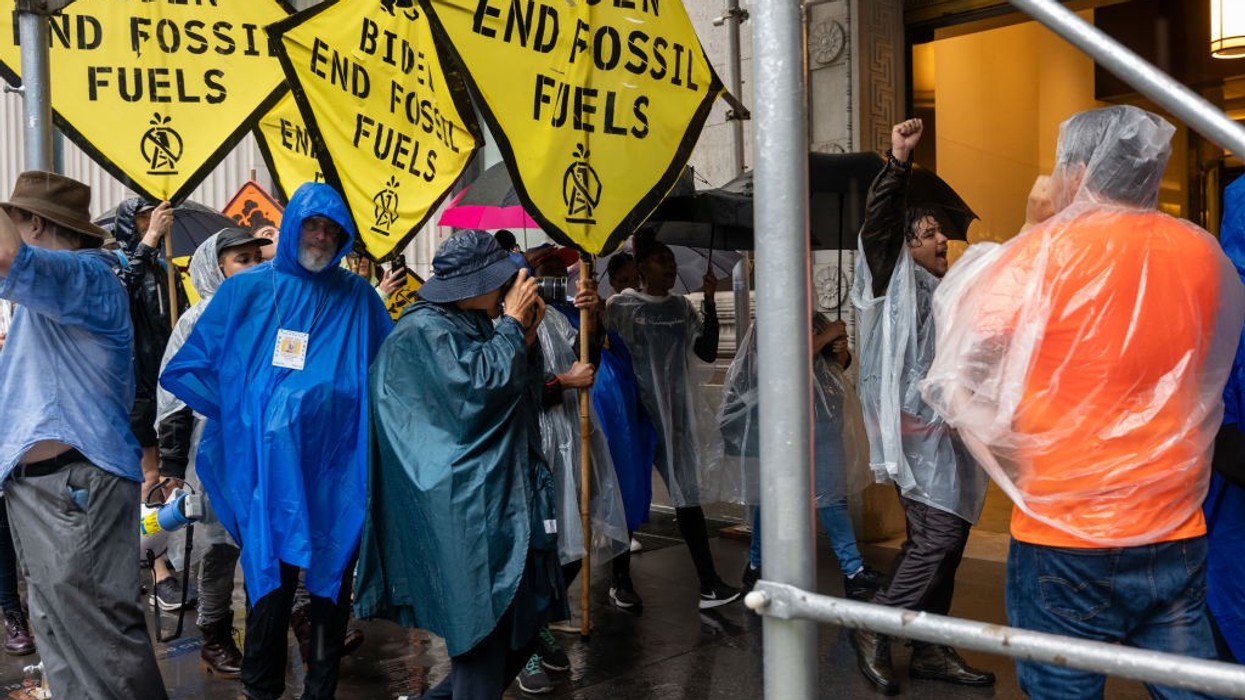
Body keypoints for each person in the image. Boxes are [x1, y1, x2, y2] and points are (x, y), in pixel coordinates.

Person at [921, 105, 1245, 699]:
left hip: (1063, 535)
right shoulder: (1201, 254)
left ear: (1076, 170)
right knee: (1193, 690)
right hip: (1172, 523)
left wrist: (1029, 224)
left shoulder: (1040, 255)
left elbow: (967, 345)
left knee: (1063, 690)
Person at [161, 182, 393, 700]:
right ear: (292, 229)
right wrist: (246, 414)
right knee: (272, 580)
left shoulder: (358, 299)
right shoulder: (247, 291)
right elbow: (200, 364)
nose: (321, 236)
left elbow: (390, 370)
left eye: (332, 229)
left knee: (332, 581)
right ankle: (260, 688)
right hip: (269, 469)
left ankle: (321, 689)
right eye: (312, 225)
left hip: (337, 466)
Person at [356, 230, 566, 698]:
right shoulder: (421, 331)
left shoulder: (467, 323)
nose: (508, 288)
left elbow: (516, 395)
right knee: (480, 644)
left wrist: (524, 336)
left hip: (497, 497)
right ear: (472, 285)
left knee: (521, 628)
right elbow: (475, 394)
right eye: (500, 282)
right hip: (463, 510)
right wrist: (512, 324)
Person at [0, 171, 167, 698]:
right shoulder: (65, 287)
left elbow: (6, 257)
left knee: (102, 650)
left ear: (35, 223)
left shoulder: (87, 275)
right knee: (66, 647)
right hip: (49, 487)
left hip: (72, 486)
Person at [848, 118, 994, 693]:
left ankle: (930, 646)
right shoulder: (892, 276)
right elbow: (881, 225)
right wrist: (898, 162)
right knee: (937, 538)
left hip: (946, 436)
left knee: (947, 538)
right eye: (928, 233)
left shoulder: (944, 289)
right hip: (913, 436)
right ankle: (877, 623)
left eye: (942, 234)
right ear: (905, 245)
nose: (941, 242)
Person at [156, 228, 270, 679]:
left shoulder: (270, 313)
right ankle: (215, 635)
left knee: (272, 537)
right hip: (214, 451)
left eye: (255, 258)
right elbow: (174, 395)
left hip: (265, 446)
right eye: (241, 260)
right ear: (214, 267)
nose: (253, 267)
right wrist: (171, 462)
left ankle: (287, 624)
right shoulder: (198, 320)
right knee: (218, 545)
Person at [604, 234, 740, 609]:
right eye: (661, 258)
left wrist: (710, 303)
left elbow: (707, 351)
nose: (670, 265)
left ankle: (709, 584)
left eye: (671, 259)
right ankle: (619, 580)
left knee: (687, 496)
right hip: (636, 417)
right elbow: (603, 353)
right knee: (630, 495)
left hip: (675, 417)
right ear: (641, 267)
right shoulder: (621, 306)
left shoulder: (681, 308)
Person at [517, 256, 629, 694]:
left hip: (567, 445)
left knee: (572, 546)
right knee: (531, 551)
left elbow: (589, 356)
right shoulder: (493, 327)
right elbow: (508, 388)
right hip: (528, 450)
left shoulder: (553, 320)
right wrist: (562, 381)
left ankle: (538, 623)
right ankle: (521, 643)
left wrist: (593, 317)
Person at [720, 313, 881, 599]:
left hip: (824, 424)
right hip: (786, 426)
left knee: (832, 498)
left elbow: (834, 366)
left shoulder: (816, 319)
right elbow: (782, 364)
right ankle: (758, 564)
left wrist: (840, 350)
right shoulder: (771, 314)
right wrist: (826, 336)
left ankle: (853, 570)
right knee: (770, 499)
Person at [111, 197, 193, 609]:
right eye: (145, 217)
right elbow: (118, 301)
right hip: (137, 385)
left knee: (167, 477)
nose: (156, 221)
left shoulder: (165, 269)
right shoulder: (120, 263)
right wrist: (149, 241)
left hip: (169, 380)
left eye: (157, 216)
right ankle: (158, 567)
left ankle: (157, 555)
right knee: (150, 477)